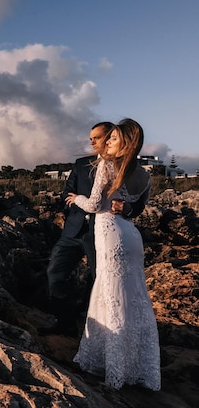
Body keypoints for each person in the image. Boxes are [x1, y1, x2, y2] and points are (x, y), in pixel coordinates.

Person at [66, 118, 161, 390]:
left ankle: (115, 368)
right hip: (131, 236)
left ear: (126, 143)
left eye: (113, 138)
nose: (107, 142)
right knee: (134, 299)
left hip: (110, 234)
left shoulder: (107, 165)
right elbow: (137, 207)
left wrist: (76, 199)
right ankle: (137, 365)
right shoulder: (145, 175)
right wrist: (128, 211)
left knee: (112, 297)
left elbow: (95, 204)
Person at [40, 122, 146, 336]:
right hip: (73, 231)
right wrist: (72, 208)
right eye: (91, 138)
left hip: (104, 233)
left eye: (97, 137)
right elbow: (66, 193)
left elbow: (139, 204)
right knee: (55, 273)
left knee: (103, 280)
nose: (92, 142)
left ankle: (97, 325)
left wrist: (127, 208)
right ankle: (65, 322)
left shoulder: (125, 167)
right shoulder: (81, 164)